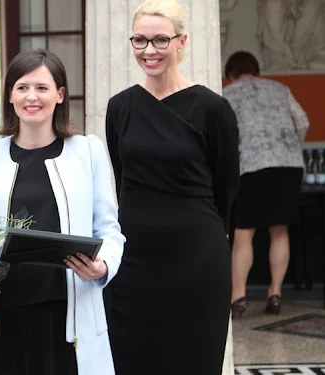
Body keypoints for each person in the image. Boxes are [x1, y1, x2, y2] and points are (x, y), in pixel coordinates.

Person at [0, 49, 125, 375]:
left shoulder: (88, 152)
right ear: (10, 95)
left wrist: (103, 266)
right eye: (22, 87)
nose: (31, 96)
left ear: (60, 95)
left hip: (67, 313)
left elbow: (109, 228)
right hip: (1, 315)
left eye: (42, 88)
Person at [103, 1, 240, 374]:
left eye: (160, 40)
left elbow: (226, 187)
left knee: (194, 360)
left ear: (182, 42)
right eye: (140, 40)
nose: (149, 51)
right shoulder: (120, 107)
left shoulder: (213, 109)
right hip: (134, 262)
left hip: (196, 260)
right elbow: (120, 179)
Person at [223, 51, 309, 317]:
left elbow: (224, 133)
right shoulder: (280, 89)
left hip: (253, 166)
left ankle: (238, 297)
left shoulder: (230, 93)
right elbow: (303, 121)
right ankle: (275, 294)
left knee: (243, 233)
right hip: (289, 166)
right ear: (256, 71)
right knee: (279, 231)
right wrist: (290, 147)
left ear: (231, 74)